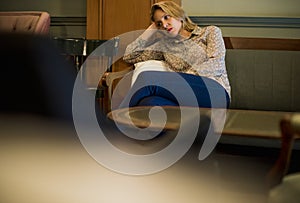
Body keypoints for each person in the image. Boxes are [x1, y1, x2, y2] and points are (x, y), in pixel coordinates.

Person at [117, 1, 231, 109]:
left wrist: (179, 79)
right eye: (159, 24)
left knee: (147, 77)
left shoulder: (209, 32)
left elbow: (215, 65)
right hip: (184, 95)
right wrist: (149, 31)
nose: (165, 25)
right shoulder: (163, 46)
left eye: (167, 17)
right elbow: (129, 55)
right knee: (150, 103)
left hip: (214, 92)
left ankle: (120, 117)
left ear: (178, 15)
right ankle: (182, 128)